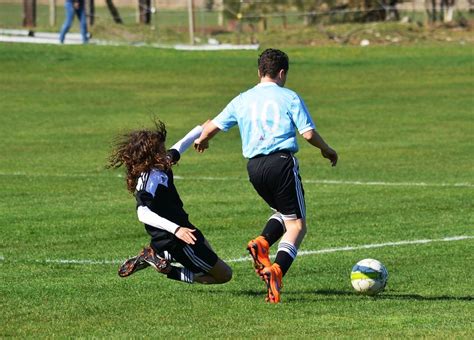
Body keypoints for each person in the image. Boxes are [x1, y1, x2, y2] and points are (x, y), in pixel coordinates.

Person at [194, 48, 338, 303]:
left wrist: (204, 140)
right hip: (281, 163)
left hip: (254, 168)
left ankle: (262, 242)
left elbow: (212, 126)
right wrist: (327, 150)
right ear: (282, 73)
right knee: (297, 225)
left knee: (283, 212)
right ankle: (277, 271)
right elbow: (307, 133)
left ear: (259, 72)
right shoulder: (289, 97)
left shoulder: (242, 99)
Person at [109, 120, 232, 285]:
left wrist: (204, 129)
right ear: (151, 154)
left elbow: (180, 146)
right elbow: (142, 212)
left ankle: (155, 254)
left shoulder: (160, 163)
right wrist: (177, 229)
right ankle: (167, 268)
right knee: (224, 275)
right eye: (160, 149)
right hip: (174, 238)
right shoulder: (147, 179)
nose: (165, 151)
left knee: (208, 252)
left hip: (182, 226)